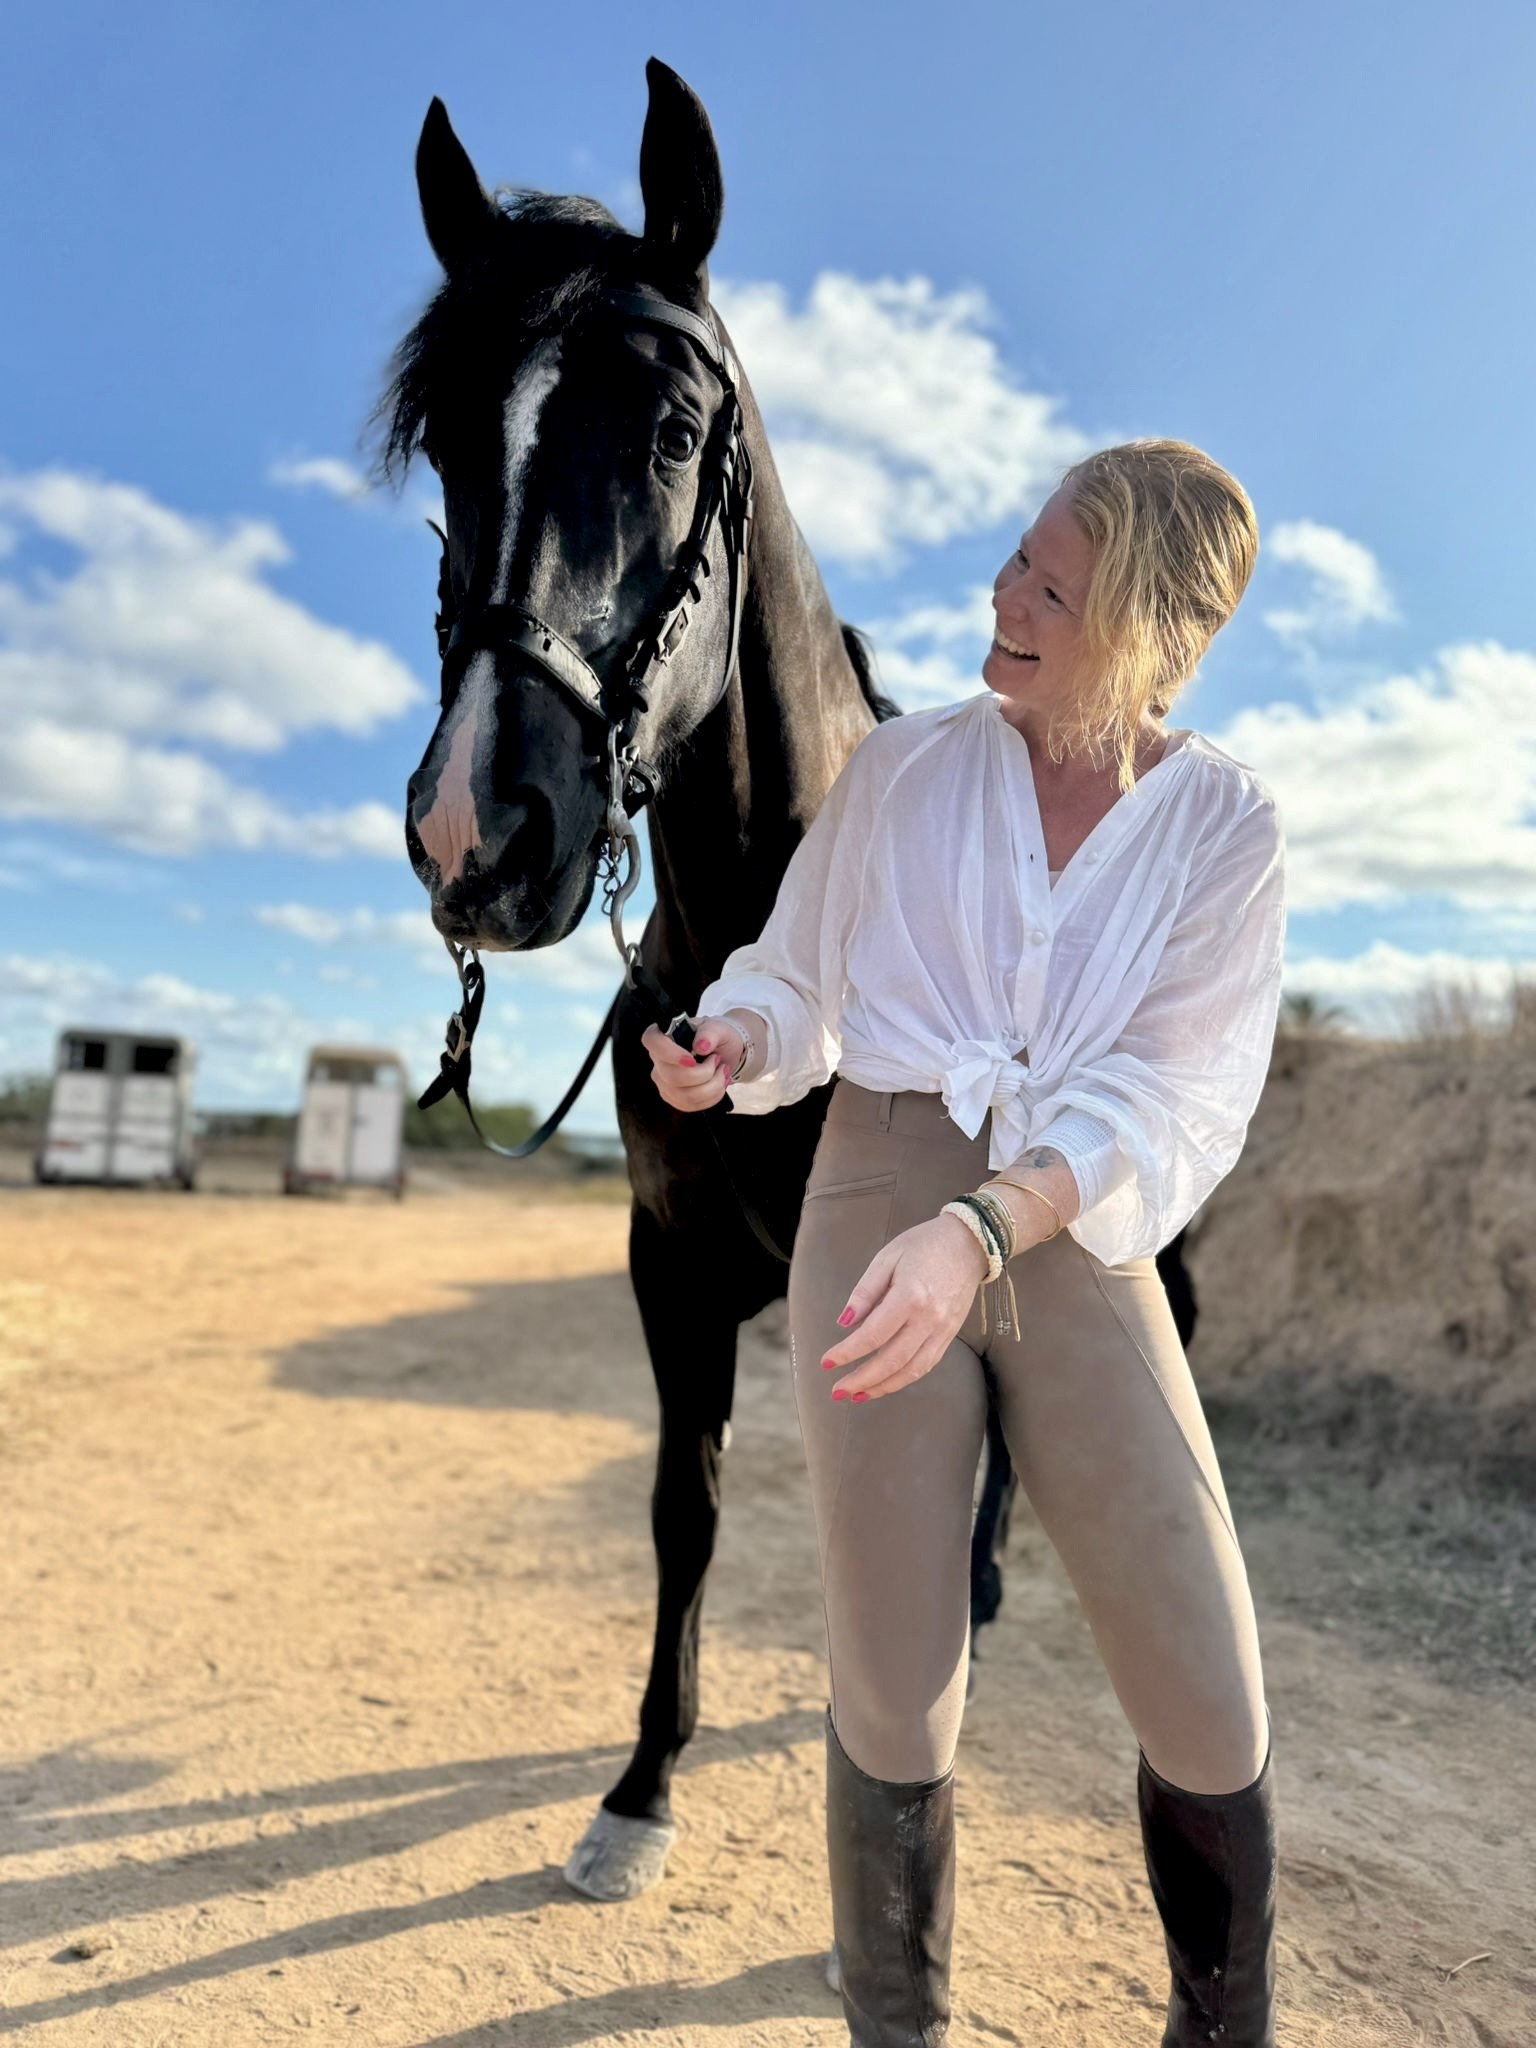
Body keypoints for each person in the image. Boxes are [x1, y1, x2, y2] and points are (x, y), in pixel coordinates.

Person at [642, 439, 1286, 2047]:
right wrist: (734, 1039)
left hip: (1069, 1213)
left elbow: (1171, 1089)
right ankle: (900, 2030)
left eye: (1054, 587)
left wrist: (985, 1231)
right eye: (1015, 555)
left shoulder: (1222, 826)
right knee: (896, 1664)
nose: (1003, 593)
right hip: (875, 1184)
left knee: (1208, 1683)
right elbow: (798, 974)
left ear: (1147, 631)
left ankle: (1227, 2028)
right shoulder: (906, 768)